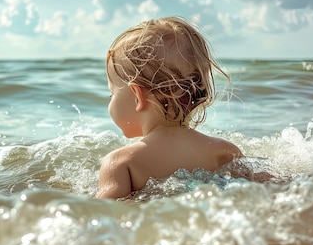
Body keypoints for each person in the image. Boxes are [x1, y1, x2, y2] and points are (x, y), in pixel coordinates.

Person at [96, 16, 243, 199]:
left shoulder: (121, 163)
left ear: (137, 96)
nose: (111, 102)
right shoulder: (225, 151)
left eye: (112, 94)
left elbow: (103, 214)